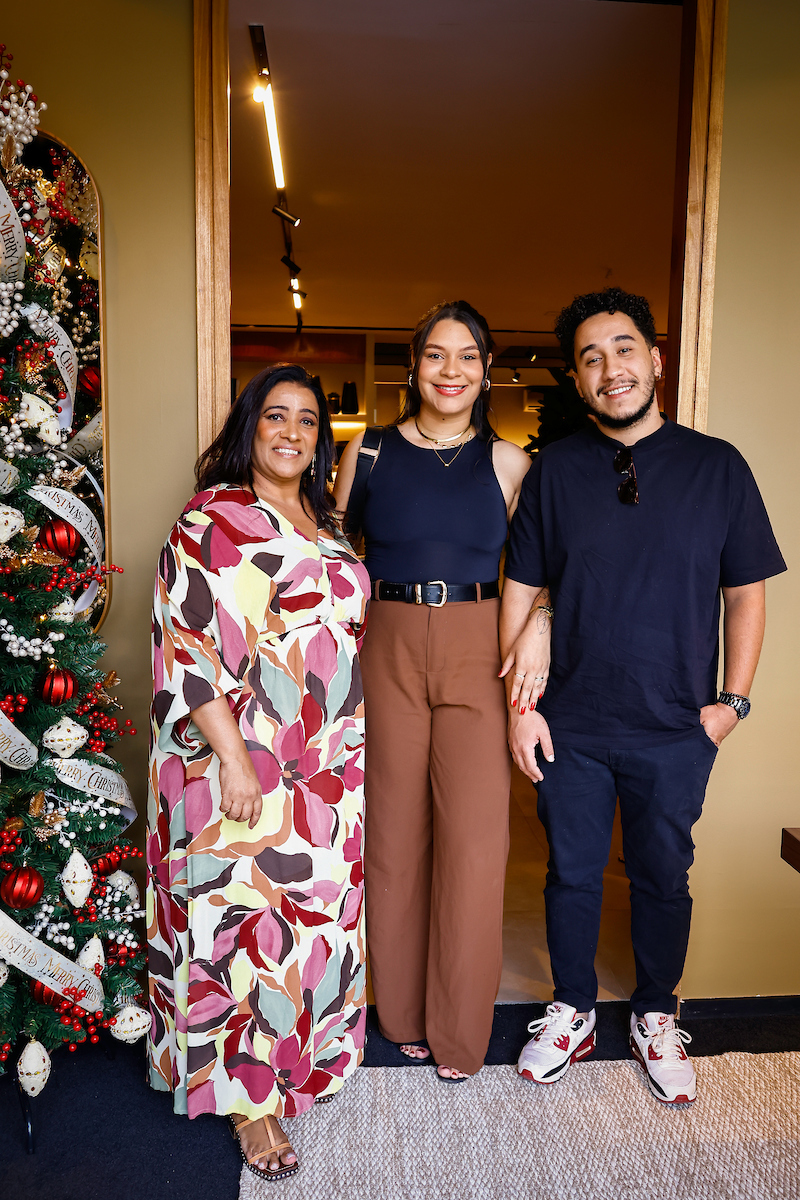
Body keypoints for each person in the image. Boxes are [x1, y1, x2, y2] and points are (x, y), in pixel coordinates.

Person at [500, 287, 786, 1105]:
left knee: (664, 874)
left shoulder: (717, 465)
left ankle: (657, 1013)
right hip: (573, 723)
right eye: (590, 357)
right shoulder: (556, 470)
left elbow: (748, 595)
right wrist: (522, 707)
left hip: (675, 724)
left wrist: (730, 704)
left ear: (654, 360)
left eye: (623, 349)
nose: (609, 369)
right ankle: (573, 1009)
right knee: (572, 874)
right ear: (577, 378)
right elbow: (520, 588)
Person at [147, 364, 370, 1179]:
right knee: (239, 926)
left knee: (305, 928)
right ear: (250, 426)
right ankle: (251, 1107)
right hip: (236, 762)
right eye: (275, 416)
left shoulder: (324, 520)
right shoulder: (212, 519)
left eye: (308, 421)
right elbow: (189, 645)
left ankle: (299, 1060)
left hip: (323, 769)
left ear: (320, 440)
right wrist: (235, 760)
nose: (290, 432)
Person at [333, 300, 535, 1081]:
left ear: (486, 372)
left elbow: (539, 568)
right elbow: (328, 558)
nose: (451, 372)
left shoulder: (510, 462)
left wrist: (539, 623)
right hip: (382, 642)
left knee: (476, 844)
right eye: (435, 356)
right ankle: (403, 1014)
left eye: (468, 357)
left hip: (479, 645)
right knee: (390, 838)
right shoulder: (371, 453)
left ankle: (459, 1032)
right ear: (413, 366)